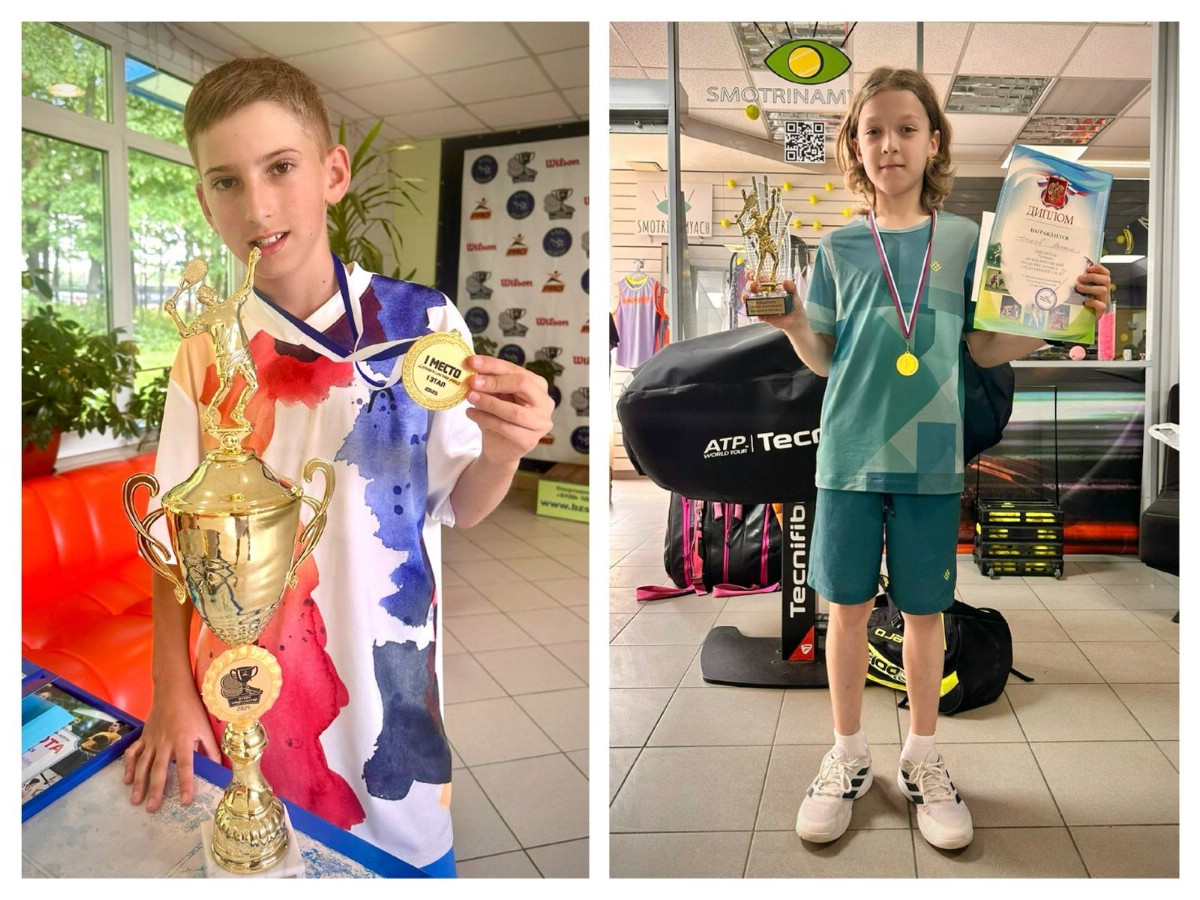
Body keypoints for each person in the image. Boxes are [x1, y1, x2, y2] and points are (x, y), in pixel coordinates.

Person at [121, 57, 554, 877]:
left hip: (391, 667)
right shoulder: (205, 351)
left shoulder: (423, 322)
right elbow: (174, 542)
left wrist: (504, 446)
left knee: (405, 853)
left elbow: (459, 504)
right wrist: (169, 690)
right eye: (225, 181)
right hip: (243, 677)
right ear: (204, 200)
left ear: (333, 173)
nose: (257, 207)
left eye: (281, 167)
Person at [752, 67, 1109, 851]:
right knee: (846, 611)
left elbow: (982, 346)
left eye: (907, 128)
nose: (890, 144)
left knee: (925, 613)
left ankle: (921, 755)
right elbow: (826, 359)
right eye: (873, 130)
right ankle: (847, 754)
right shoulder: (840, 247)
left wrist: (1067, 316)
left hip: (931, 457)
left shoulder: (967, 242)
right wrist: (791, 325)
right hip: (849, 455)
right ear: (855, 145)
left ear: (934, 141)